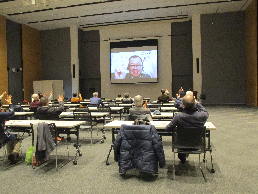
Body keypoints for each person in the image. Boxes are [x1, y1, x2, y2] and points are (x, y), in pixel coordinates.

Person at [165, 94, 209, 164]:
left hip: (180, 145)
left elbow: (167, 129)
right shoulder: (202, 116)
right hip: (197, 144)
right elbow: (205, 111)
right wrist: (197, 103)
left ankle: (182, 157)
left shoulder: (178, 116)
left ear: (182, 105)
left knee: (183, 136)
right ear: (194, 104)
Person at [0, 92, 22, 164]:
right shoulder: (1, 114)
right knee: (18, 137)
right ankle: (14, 153)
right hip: (3, 136)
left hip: (2, 135)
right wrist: (10, 103)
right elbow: (12, 113)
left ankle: (10, 155)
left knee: (9, 137)